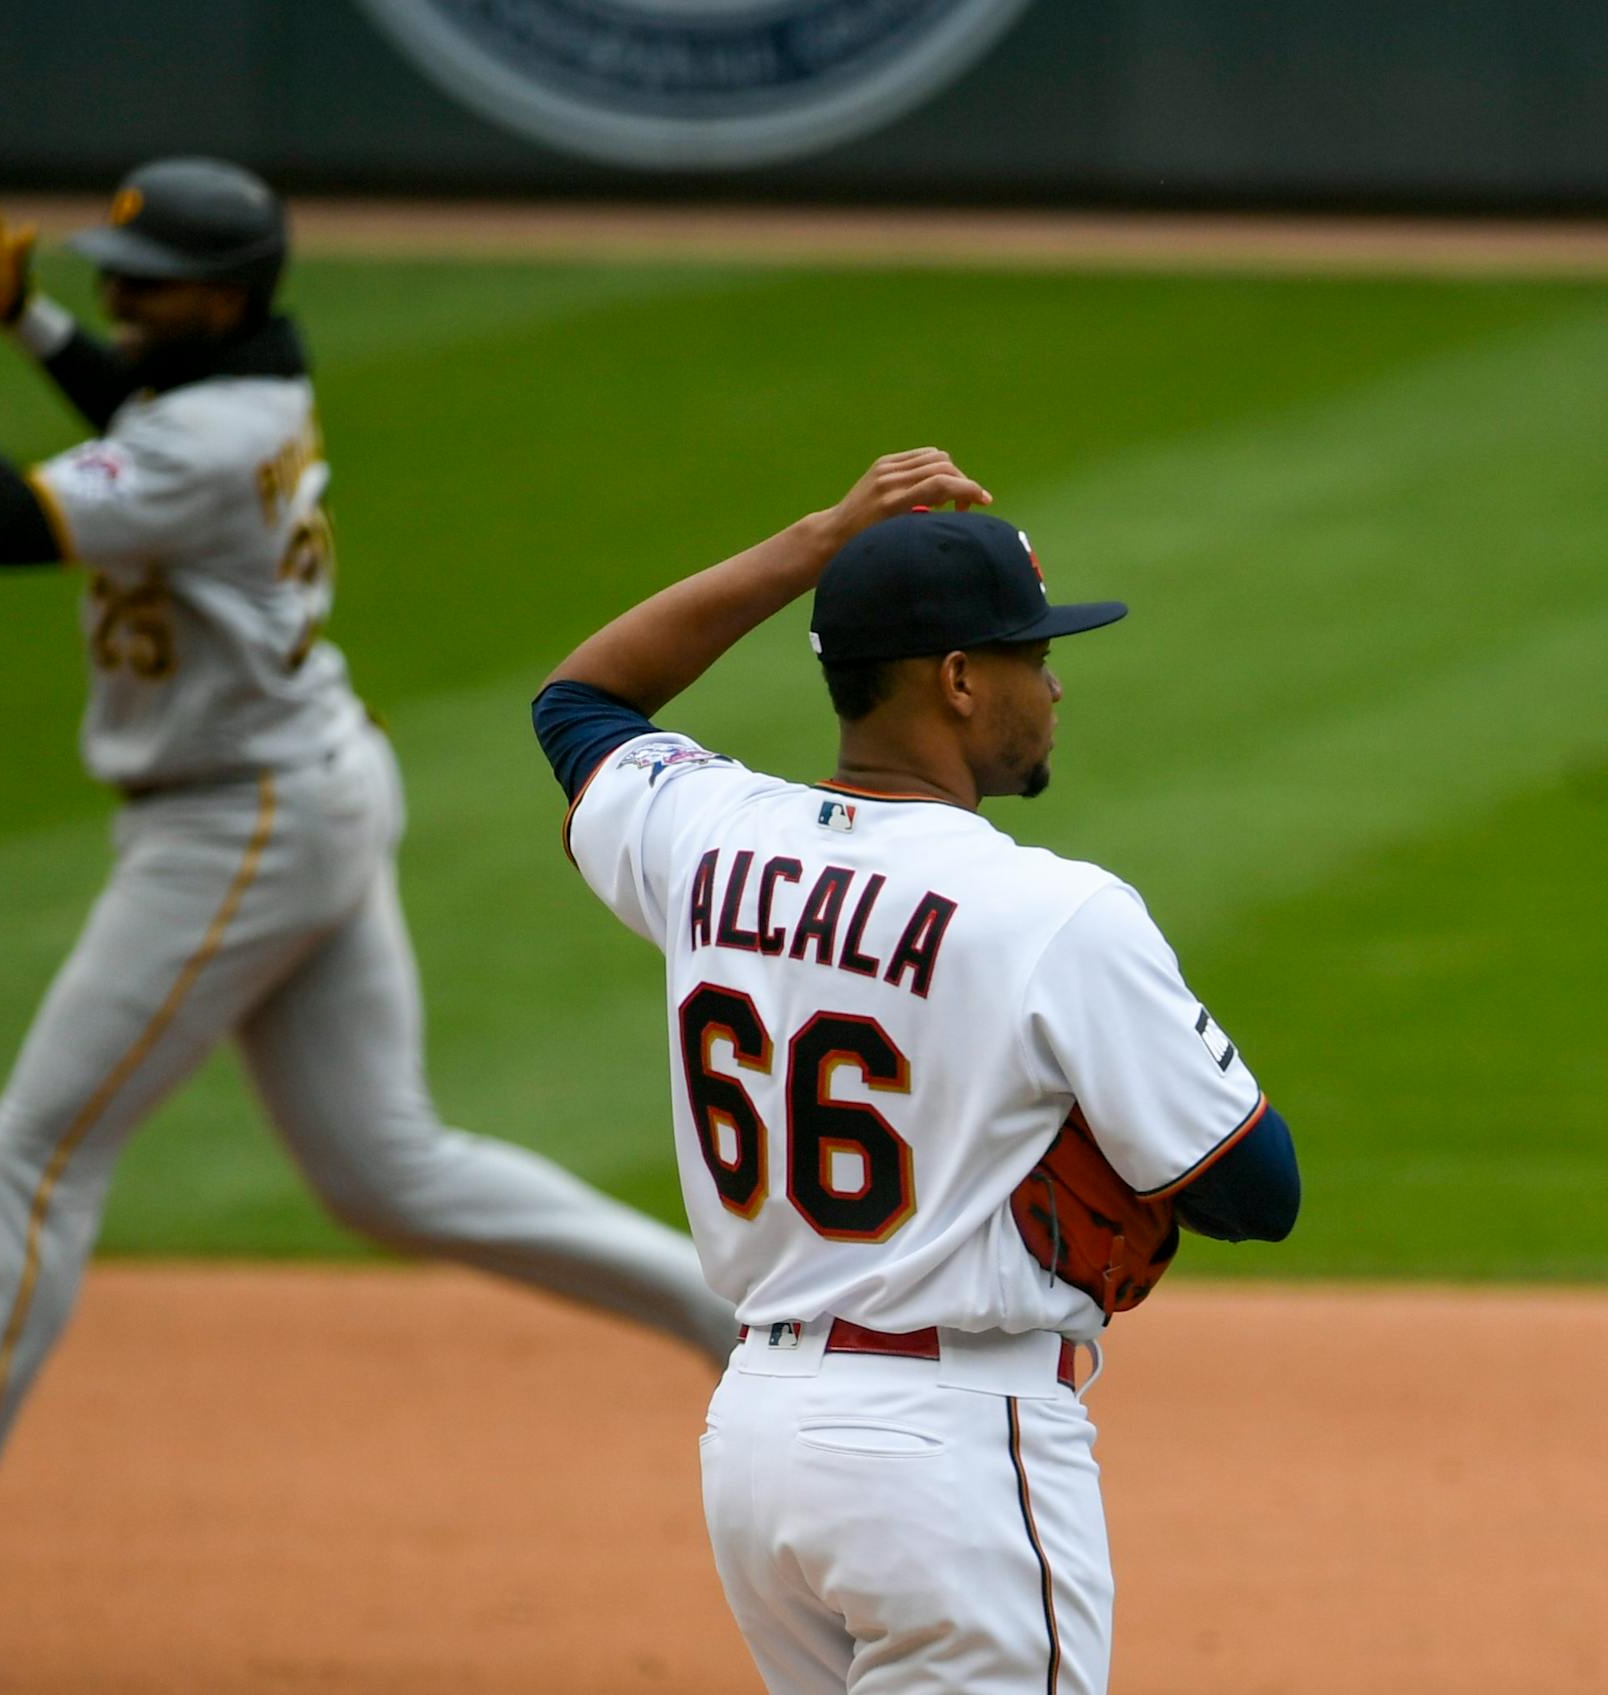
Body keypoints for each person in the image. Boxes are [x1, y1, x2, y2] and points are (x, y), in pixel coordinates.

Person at [0, 158, 736, 1648]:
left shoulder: (209, 429)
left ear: (228, 292)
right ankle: (743, 1324)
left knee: (36, 1154)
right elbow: (140, 432)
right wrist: (30, 323)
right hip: (310, 778)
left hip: (239, 824)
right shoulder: (246, 389)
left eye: (147, 282)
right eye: (111, 278)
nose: (119, 300)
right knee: (391, 1170)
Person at [531, 448, 1300, 1695]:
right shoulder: (1050, 910)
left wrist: (816, 541)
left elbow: (581, 703)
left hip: (761, 1450)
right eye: (1031, 657)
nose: (1053, 686)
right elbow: (1257, 1190)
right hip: (949, 1454)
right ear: (955, 680)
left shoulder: (707, 834)